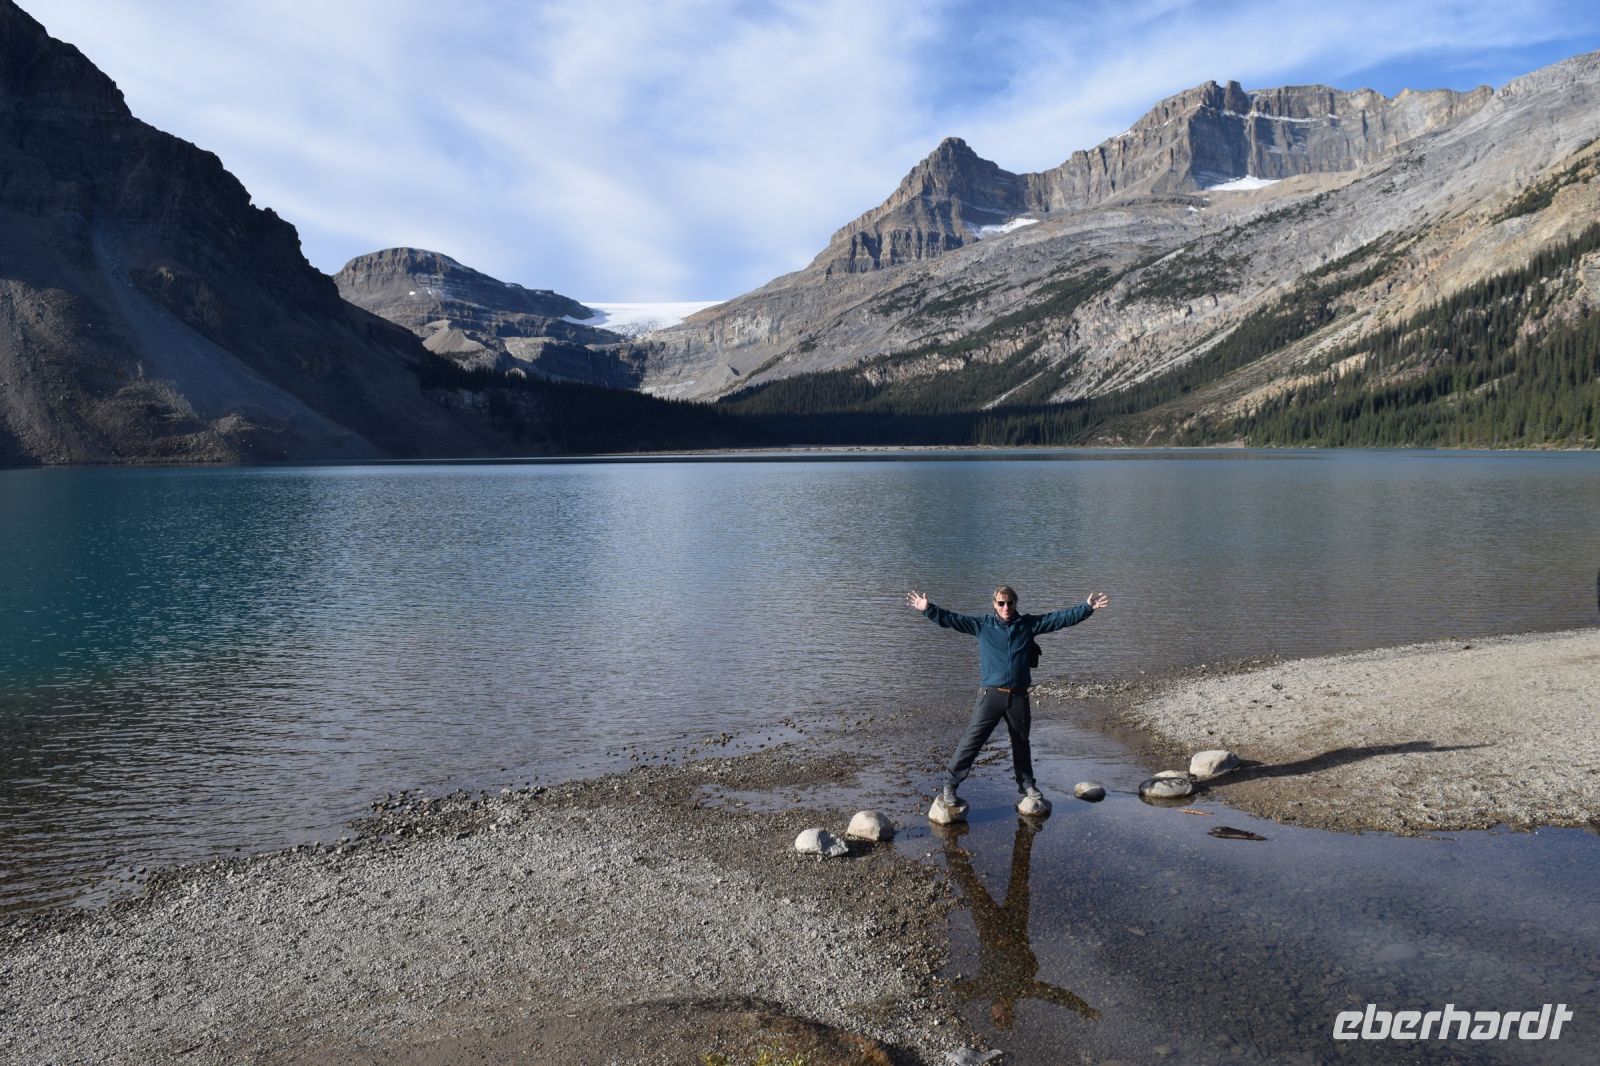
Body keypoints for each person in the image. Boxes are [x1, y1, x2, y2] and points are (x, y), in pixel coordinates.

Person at [907, 584, 1109, 807]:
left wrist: (1086, 607)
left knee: (1021, 742)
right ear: (994, 604)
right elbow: (952, 619)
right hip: (991, 696)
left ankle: (1027, 785)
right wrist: (928, 609)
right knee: (972, 741)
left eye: (1009, 603)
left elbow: (1058, 619)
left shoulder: (1027, 625)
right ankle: (950, 785)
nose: (1005, 607)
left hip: (1019, 697)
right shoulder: (982, 625)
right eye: (1001, 603)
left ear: (1015, 603)